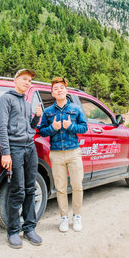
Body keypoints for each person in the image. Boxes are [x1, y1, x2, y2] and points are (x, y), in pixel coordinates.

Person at [0, 69, 43, 248]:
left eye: (30, 81)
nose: (27, 83)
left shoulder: (27, 102)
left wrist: (36, 117)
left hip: (30, 147)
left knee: (31, 189)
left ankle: (30, 228)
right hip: (15, 149)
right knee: (18, 190)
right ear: (15, 80)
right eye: (24, 79)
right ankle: (13, 231)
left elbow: (29, 127)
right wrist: (5, 153)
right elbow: (1, 127)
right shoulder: (5, 99)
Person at [37, 77, 88, 232]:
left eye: (61, 88)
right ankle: (64, 218)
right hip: (56, 154)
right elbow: (42, 131)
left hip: (73, 152)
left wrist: (70, 126)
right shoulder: (48, 112)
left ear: (66, 91)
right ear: (52, 93)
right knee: (61, 188)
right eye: (56, 88)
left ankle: (77, 216)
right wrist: (53, 128)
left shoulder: (76, 109)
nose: (59, 90)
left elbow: (84, 128)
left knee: (77, 186)